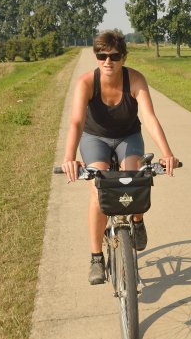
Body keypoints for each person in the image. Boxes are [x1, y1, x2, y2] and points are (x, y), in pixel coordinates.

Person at [61, 30, 178, 285]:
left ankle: (137, 220)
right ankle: (96, 257)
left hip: (128, 136)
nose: (107, 62)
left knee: (133, 177)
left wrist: (167, 153)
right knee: (98, 187)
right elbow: (77, 122)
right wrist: (69, 157)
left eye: (114, 56)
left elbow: (148, 117)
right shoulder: (86, 83)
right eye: (101, 55)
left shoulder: (135, 80)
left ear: (123, 57)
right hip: (96, 139)